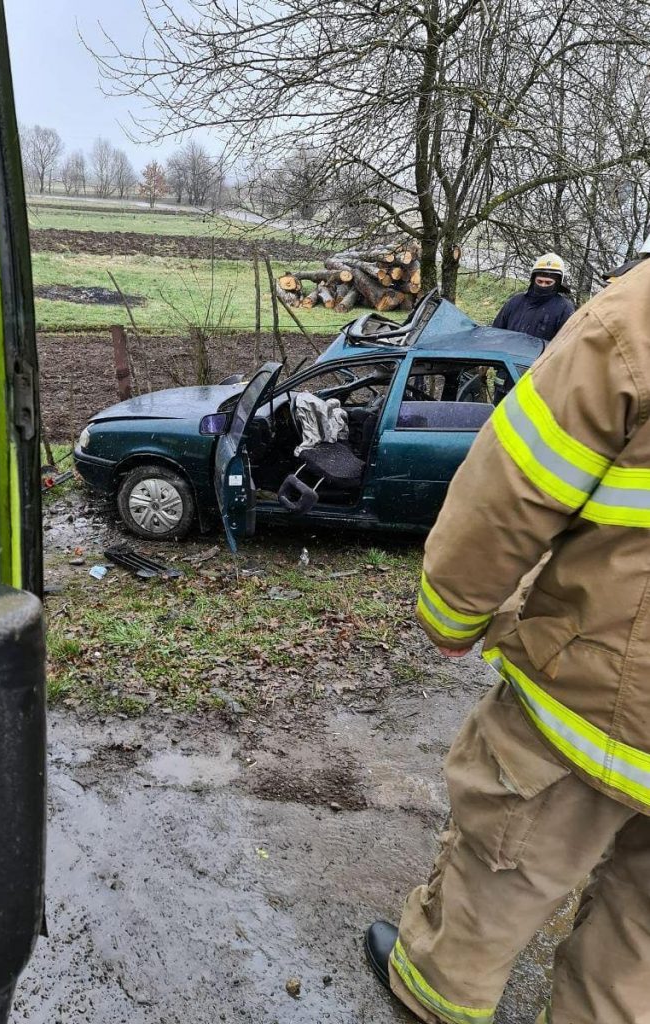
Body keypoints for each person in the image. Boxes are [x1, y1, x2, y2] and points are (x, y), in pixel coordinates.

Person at [364, 254, 650, 1024]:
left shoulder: (628, 319)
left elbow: (510, 486)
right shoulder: (547, 313)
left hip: (598, 699)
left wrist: (452, 613)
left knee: (502, 864)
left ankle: (435, 997)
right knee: (639, 946)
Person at [492, 253, 575, 341]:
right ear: (533, 280)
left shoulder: (564, 309)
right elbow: (496, 330)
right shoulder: (516, 301)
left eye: (548, 283)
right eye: (539, 281)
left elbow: (566, 344)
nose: (543, 285)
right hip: (508, 353)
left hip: (542, 354)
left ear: (557, 284)